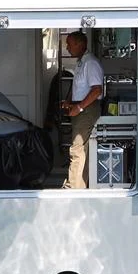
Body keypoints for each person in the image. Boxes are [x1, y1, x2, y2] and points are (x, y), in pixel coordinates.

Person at [60, 31, 103, 189]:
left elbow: (97, 90)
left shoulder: (90, 63)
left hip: (87, 109)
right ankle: (80, 185)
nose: (67, 47)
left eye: (69, 44)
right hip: (81, 107)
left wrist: (78, 107)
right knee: (81, 148)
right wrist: (69, 101)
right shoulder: (81, 63)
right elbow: (77, 86)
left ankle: (73, 187)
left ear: (80, 44)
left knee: (77, 148)